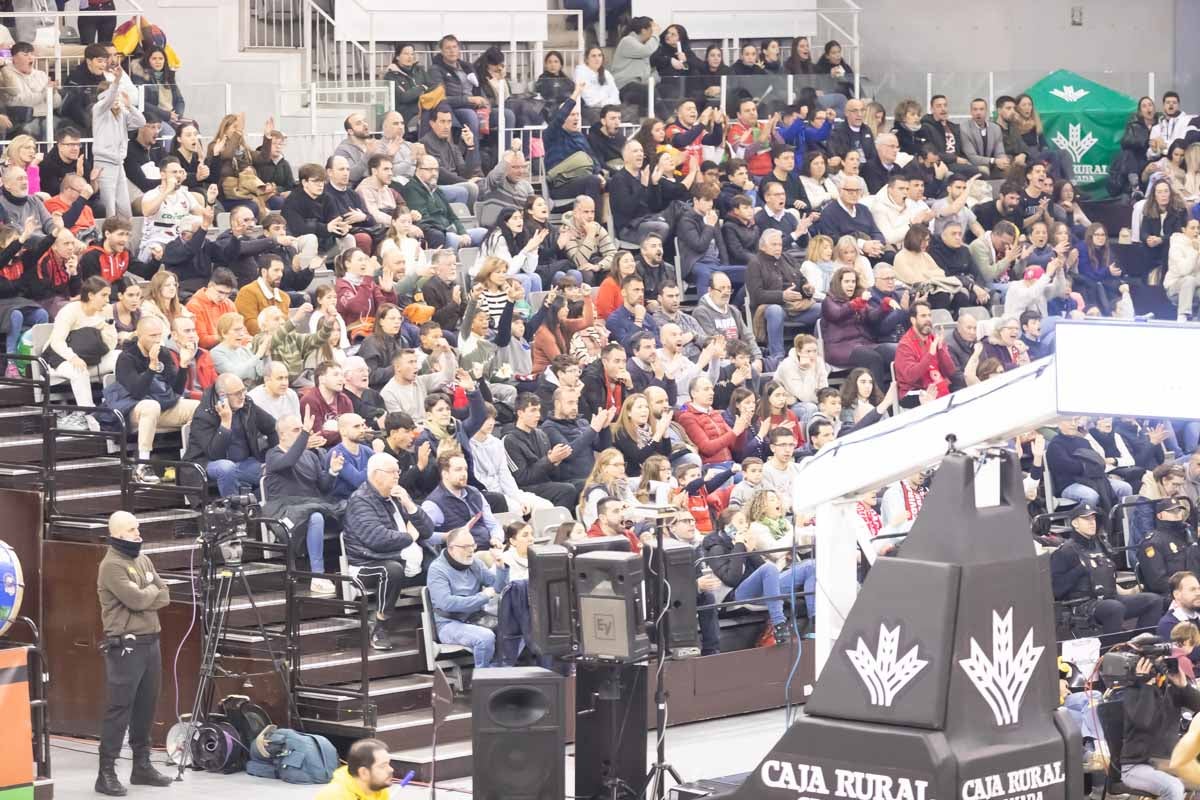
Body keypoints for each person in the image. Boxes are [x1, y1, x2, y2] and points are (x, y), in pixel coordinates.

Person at [94, 510, 172, 796]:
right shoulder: (111, 566)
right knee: (119, 709)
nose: (137, 534)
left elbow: (165, 594)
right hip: (125, 646)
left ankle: (142, 766)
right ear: (116, 534)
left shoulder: (143, 558)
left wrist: (149, 591)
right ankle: (106, 773)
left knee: (146, 706)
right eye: (131, 530)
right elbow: (138, 600)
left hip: (151, 642)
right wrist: (149, 589)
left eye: (137, 528)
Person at [344, 453, 433, 650]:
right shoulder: (360, 501)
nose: (397, 476)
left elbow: (427, 530)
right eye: (392, 472)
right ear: (376, 475)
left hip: (405, 560)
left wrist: (409, 505)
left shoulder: (396, 496)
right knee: (391, 570)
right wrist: (410, 536)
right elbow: (378, 539)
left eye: (398, 472)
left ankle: (439, 626)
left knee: (437, 567)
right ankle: (380, 626)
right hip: (367, 564)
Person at [105, 317, 199, 484]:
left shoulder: (163, 353)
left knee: (198, 407)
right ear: (140, 335)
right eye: (152, 335)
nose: (157, 340)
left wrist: (183, 365)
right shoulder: (126, 358)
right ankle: (143, 464)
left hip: (159, 408)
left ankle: (193, 458)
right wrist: (151, 367)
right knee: (150, 406)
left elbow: (175, 391)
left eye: (159, 335)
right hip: (132, 410)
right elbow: (137, 392)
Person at [1050, 503, 1164, 635]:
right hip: (1084, 604)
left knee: (1154, 600)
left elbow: (1107, 578)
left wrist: (1129, 591)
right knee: (1114, 608)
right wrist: (1080, 570)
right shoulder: (1065, 551)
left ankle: (1140, 643)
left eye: (1093, 519)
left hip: (1111, 598)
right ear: (1075, 523)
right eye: (1086, 519)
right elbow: (1057, 590)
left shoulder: (1101, 545)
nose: (1092, 523)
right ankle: (1109, 650)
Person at [263, 413, 341, 595]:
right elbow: (289, 460)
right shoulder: (272, 455)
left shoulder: (311, 456)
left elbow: (323, 486)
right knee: (315, 516)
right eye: (296, 430)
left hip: (311, 503)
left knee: (347, 509)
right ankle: (317, 576)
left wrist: (332, 471)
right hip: (283, 509)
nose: (301, 434)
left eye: (302, 430)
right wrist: (306, 434)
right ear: (282, 435)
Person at [182, 372, 277, 497]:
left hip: (244, 463)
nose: (243, 396)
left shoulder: (247, 404)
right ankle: (232, 509)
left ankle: (254, 503)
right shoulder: (204, 415)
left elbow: (272, 426)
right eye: (237, 393)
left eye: (244, 390)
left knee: (276, 470)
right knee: (227, 468)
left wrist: (272, 457)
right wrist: (225, 423)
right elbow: (214, 454)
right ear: (223, 396)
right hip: (206, 463)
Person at [426, 524, 508, 669]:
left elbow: (499, 586)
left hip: (476, 617)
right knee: (485, 637)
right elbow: (447, 603)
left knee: (515, 626)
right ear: (451, 548)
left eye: (472, 545)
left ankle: (503, 670)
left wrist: (501, 567)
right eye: (465, 547)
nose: (471, 550)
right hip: (449, 623)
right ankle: (483, 678)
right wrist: (482, 597)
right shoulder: (437, 569)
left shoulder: (475, 563)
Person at [44, 276, 115, 429]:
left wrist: (109, 323)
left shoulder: (104, 312)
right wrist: (72, 357)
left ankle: (117, 405)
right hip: (59, 358)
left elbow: (110, 345)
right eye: (104, 295)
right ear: (90, 295)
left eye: (108, 295)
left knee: (120, 357)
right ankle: (87, 415)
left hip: (90, 357)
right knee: (79, 370)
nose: (108, 300)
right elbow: (57, 341)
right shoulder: (70, 310)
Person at [747, 228, 821, 359]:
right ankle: (777, 356)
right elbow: (756, 295)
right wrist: (782, 295)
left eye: (780, 244)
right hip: (768, 309)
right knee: (775, 310)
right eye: (774, 245)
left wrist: (806, 289)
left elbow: (802, 280)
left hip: (795, 308)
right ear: (763, 246)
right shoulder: (755, 263)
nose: (778, 248)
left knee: (822, 308)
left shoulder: (787, 258)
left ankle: (815, 350)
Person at [503, 393, 582, 508]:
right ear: (520, 413)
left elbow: (552, 474)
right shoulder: (509, 440)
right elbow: (522, 478)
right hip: (525, 488)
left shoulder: (542, 435)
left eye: (539, 410)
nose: (538, 415)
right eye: (533, 410)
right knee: (566, 490)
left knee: (585, 484)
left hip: (546, 483)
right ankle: (558, 524)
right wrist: (549, 460)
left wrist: (555, 462)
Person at [820, 266, 894, 388]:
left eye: (853, 282)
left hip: (863, 344)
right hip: (839, 347)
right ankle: (877, 399)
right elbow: (837, 314)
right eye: (847, 282)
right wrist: (857, 303)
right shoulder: (829, 301)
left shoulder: (858, 300)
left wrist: (883, 307)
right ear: (839, 283)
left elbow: (872, 317)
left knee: (892, 352)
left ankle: (900, 395)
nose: (851, 285)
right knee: (872, 358)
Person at [1047, 416, 1134, 511]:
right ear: (1059, 423)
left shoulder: (1084, 442)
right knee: (1091, 496)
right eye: (1069, 420)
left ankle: (1122, 522)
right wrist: (1088, 465)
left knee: (1125, 487)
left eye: (1075, 420)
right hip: (1069, 484)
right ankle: (1085, 522)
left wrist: (1085, 465)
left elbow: (1099, 462)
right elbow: (1069, 467)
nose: (1073, 423)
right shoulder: (1055, 445)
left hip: (1094, 479)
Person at [402, 155, 486, 250]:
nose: (434, 173)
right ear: (418, 170)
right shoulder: (412, 190)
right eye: (429, 169)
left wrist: (463, 233)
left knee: (483, 233)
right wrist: (449, 231)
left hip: (450, 231)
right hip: (438, 234)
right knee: (454, 239)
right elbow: (424, 220)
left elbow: (452, 216)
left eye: (436, 170)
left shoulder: (436, 190)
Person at [92, 73, 146, 218]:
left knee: (125, 209)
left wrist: (130, 106)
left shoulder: (122, 113)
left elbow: (141, 122)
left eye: (118, 96)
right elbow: (108, 99)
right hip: (104, 165)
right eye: (113, 96)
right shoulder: (98, 109)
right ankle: (107, 238)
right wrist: (116, 80)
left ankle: (126, 237)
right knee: (109, 208)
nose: (116, 99)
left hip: (119, 164)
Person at [893, 300, 956, 402]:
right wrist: (930, 354)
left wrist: (941, 350)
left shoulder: (934, 339)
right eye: (923, 316)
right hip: (913, 390)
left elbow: (950, 371)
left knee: (960, 387)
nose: (928, 319)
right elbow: (910, 377)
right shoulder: (905, 345)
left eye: (929, 315)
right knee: (928, 397)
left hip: (935, 384)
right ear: (913, 320)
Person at [1138, 497, 1200, 596]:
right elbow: (1157, 582)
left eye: (1179, 510)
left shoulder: (1189, 534)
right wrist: (1186, 589)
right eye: (1171, 511)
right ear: (1160, 516)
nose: (1177, 514)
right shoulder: (1152, 543)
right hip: (1172, 594)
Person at [315, 738, 394, 800]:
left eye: (388, 764)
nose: (391, 769)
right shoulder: (334, 796)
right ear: (363, 772)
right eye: (383, 766)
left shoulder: (379, 790)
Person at [299, 362, 355, 447]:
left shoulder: (345, 400)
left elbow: (352, 426)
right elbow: (318, 436)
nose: (341, 379)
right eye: (336, 375)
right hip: (321, 449)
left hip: (345, 445)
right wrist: (348, 433)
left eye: (342, 375)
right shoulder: (309, 401)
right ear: (322, 379)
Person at [611, 17, 659, 105]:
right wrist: (655, 35)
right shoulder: (627, 41)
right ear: (644, 30)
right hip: (624, 85)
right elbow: (645, 51)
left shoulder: (645, 44)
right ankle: (668, 118)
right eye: (652, 28)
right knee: (649, 91)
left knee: (665, 89)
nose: (654, 31)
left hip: (638, 84)